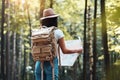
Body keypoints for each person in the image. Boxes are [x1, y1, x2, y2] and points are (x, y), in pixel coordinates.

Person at [34, 8, 83, 80]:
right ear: (54, 19)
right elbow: (65, 51)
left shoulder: (38, 32)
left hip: (39, 64)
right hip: (51, 64)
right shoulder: (57, 32)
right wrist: (77, 50)